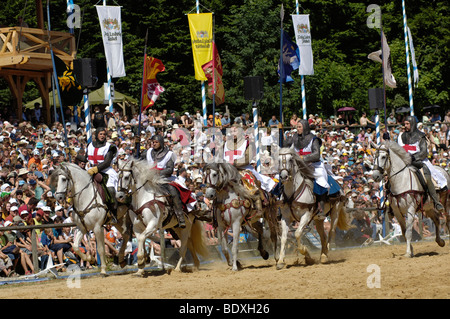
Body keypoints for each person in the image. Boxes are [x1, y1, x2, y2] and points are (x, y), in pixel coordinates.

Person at [285, 119, 341, 219]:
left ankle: (321, 206)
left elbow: (316, 155)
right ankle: (283, 203)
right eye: (297, 127)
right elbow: (285, 146)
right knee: (283, 177)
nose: (297, 129)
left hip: (314, 165)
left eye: (299, 127)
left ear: (305, 127)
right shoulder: (295, 138)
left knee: (321, 180)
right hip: (298, 165)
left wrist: (303, 158)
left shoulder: (313, 139)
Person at [397, 116, 445, 213]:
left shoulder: (421, 136)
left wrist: (414, 157)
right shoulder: (402, 136)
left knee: (427, 177)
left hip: (419, 161)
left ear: (412, 124)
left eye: (407, 124)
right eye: (404, 124)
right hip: (405, 161)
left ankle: (436, 202)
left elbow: (424, 152)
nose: (405, 126)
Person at [146, 134, 186, 228]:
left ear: (161, 143)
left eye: (156, 142)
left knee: (173, 191)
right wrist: (137, 143)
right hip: (149, 178)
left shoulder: (169, 154)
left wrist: (156, 173)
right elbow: (139, 158)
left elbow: (169, 170)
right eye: (153, 142)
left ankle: (180, 217)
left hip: (164, 179)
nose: (154, 144)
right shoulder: (148, 152)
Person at [86, 127, 119, 223]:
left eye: (104, 134)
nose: (102, 136)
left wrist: (96, 169)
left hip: (105, 171)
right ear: (96, 135)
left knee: (110, 188)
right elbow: (85, 159)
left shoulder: (109, 147)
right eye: (100, 134)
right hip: (90, 169)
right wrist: (74, 154)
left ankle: (113, 212)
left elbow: (107, 162)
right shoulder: (90, 145)